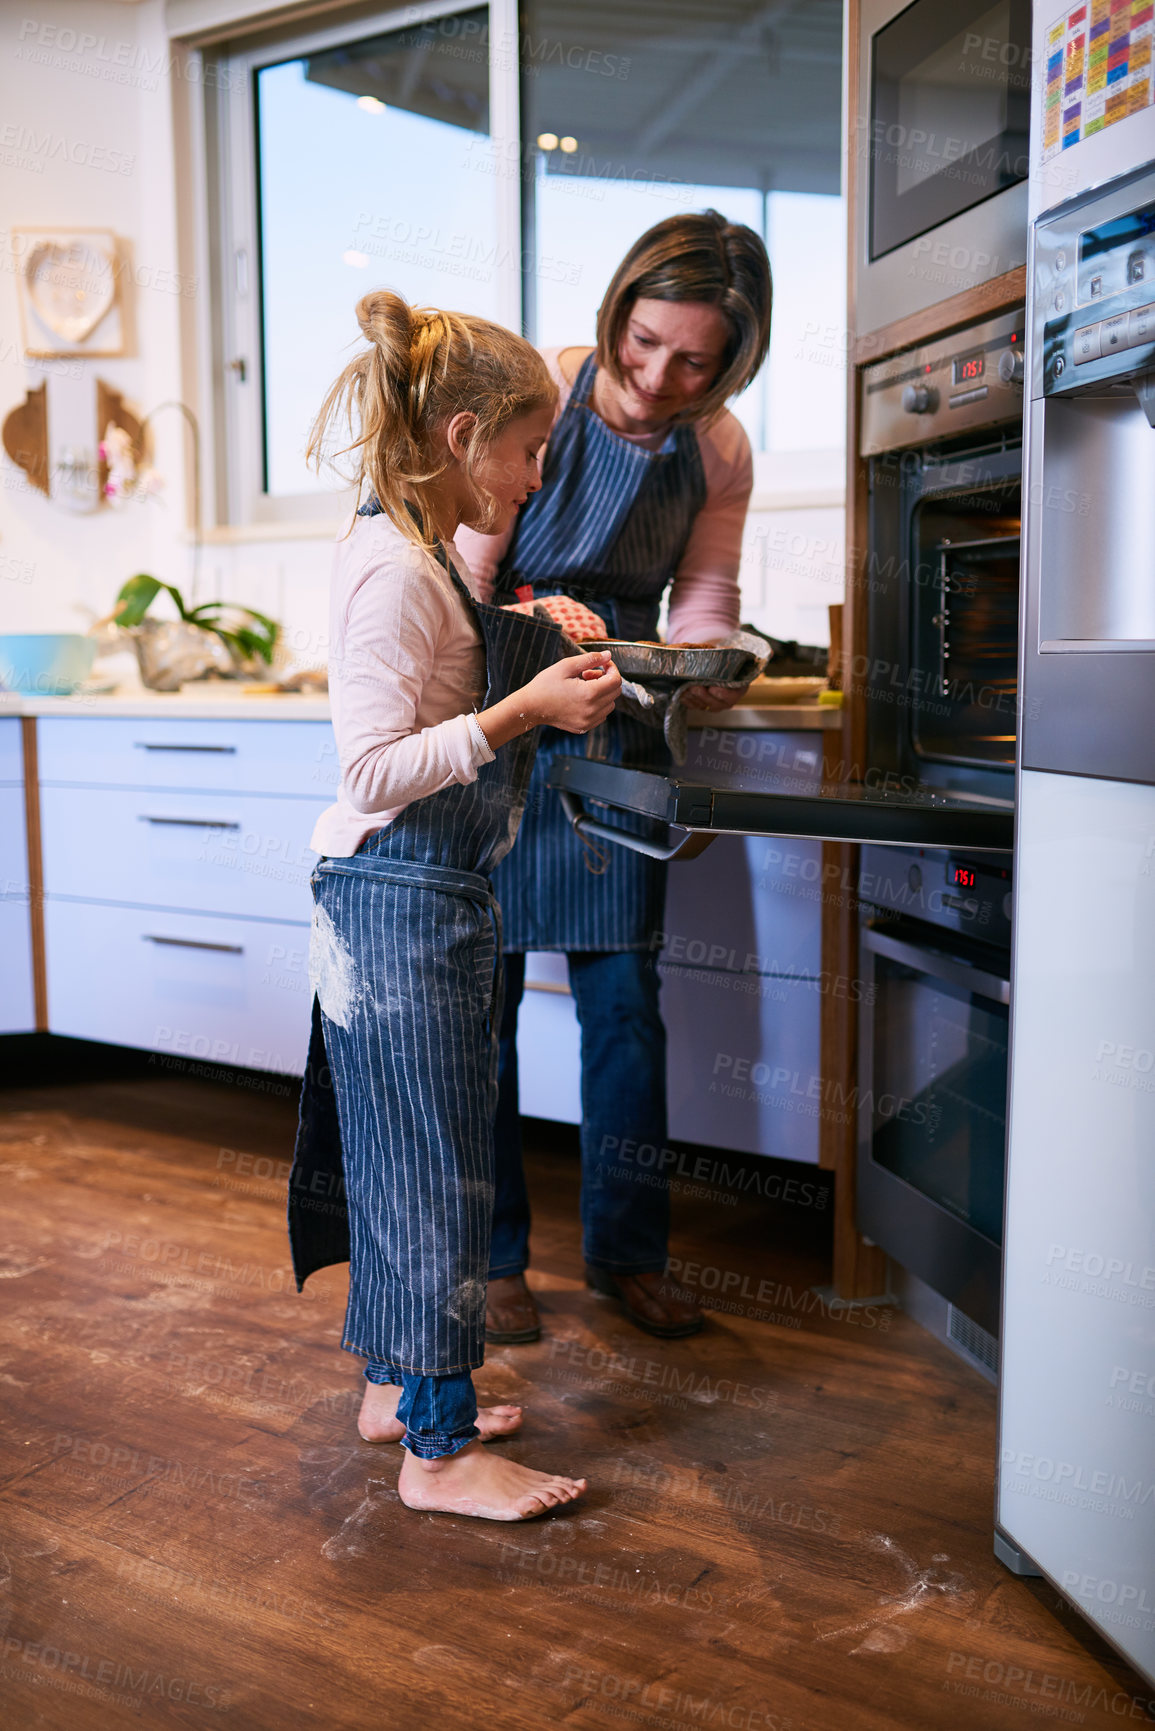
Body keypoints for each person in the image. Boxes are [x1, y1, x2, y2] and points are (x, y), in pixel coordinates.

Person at [288, 290, 622, 1520]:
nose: (538, 478)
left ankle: (392, 1387)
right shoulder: (392, 570)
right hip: (398, 900)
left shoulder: (413, 549)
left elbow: (437, 675)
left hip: (409, 900)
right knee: (434, 1173)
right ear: (466, 433)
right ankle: (436, 1452)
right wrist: (526, 710)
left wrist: (524, 630)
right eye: (532, 451)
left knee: (394, 1158)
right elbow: (373, 771)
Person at [455, 210, 773, 1345]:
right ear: (615, 316)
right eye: (644, 343)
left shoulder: (721, 448)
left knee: (627, 1012)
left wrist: (713, 658)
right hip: (501, 728)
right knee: (482, 1016)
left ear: (733, 359)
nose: (656, 378)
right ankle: (493, 1261)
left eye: (695, 361)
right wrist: (537, 617)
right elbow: (462, 579)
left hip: (620, 738)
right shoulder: (537, 386)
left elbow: (701, 594)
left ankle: (628, 1254)